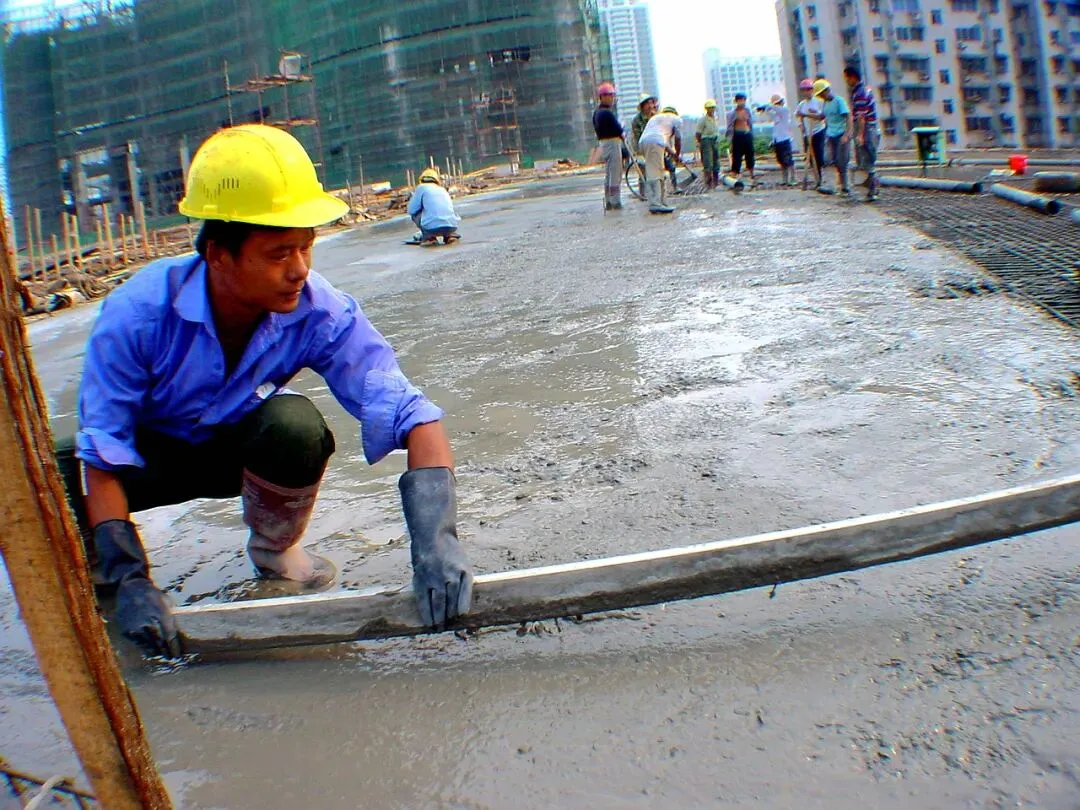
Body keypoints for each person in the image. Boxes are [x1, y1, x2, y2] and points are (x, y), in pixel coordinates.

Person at [55, 124, 475, 658]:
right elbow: (105, 451)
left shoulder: (319, 311)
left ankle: (275, 552)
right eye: (279, 254)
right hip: (141, 465)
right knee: (54, 474)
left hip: (228, 453)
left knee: (295, 429)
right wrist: (131, 578)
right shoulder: (137, 316)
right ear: (218, 254)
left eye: (306, 247)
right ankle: (103, 562)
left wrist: (437, 544)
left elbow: (412, 414)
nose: (299, 270)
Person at [844, 65, 881, 201]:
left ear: (853, 77)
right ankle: (871, 188)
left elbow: (861, 117)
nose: (846, 81)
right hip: (869, 127)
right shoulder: (861, 90)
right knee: (866, 160)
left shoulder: (860, 93)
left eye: (847, 78)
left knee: (867, 159)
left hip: (867, 128)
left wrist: (860, 135)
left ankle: (873, 189)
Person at [638, 105, 682, 214]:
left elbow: (664, 142)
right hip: (654, 144)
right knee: (655, 172)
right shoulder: (677, 120)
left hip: (644, 143)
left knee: (659, 170)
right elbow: (678, 139)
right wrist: (677, 154)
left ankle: (662, 202)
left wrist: (674, 154)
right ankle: (655, 203)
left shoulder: (658, 119)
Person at [814, 79, 853, 194]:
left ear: (827, 91)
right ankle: (830, 185)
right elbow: (822, 116)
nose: (821, 97)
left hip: (841, 134)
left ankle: (845, 186)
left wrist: (847, 134)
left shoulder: (839, 101)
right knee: (827, 160)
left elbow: (848, 117)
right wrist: (807, 114)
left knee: (842, 161)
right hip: (830, 134)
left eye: (822, 94)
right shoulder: (825, 103)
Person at [592, 81, 625, 210]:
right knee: (615, 172)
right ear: (602, 97)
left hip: (604, 143)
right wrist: (622, 132)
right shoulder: (606, 113)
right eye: (609, 95)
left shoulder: (597, 112)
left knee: (609, 173)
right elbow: (618, 130)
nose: (612, 98)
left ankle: (609, 201)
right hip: (612, 142)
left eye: (612, 95)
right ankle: (615, 201)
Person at [406, 167, 461, 244]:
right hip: (452, 226)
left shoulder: (421, 188)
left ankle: (430, 238)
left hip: (432, 229)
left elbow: (411, 210)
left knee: (415, 215)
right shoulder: (442, 189)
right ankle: (449, 236)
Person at [795, 78, 826, 188]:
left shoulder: (819, 102)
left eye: (808, 89)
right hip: (807, 134)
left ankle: (821, 178)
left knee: (818, 157)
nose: (806, 92)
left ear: (812, 90)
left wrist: (807, 115)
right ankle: (816, 179)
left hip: (818, 131)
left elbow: (821, 116)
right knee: (810, 158)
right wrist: (801, 125)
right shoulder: (801, 104)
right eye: (804, 90)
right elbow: (798, 116)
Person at [760, 95, 795, 186]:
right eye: (777, 103)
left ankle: (792, 178)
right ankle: (785, 179)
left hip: (785, 139)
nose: (778, 105)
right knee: (781, 161)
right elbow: (769, 113)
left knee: (788, 160)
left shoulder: (785, 111)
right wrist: (765, 108)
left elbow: (776, 109)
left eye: (779, 103)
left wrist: (769, 106)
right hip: (778, 140)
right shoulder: (776, 116)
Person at [630, 93, 658, 200]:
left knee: (655, 172)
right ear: (642, 106)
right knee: (643, 171)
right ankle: (643, 194)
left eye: (651, 103)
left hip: (654, 148)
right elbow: (638, 136)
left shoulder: (656, 117)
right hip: (641, 149)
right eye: (647, 104)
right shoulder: (637, 120)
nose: (650, 106)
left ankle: (655, 193)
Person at [725, 92, 756, 183]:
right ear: (736, 101)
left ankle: (751, 173)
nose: (742, 102)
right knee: (737, 156)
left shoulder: (747, 111)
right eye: (740, 100)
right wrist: (730, 139)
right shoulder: (732, 113)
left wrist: (751, 133)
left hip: (747, 134)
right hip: (737, 135)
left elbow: (750, 123)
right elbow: (730, 127)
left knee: (750, 154)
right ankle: (735, 174)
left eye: (743, 100)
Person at [695, 99, 721, 189]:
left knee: (716, 160)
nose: (712, 109)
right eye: (710, 108)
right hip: (706, 140)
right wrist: (700, 142)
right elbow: (698, 133)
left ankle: (716, 181)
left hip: (715, 139)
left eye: (713, 108)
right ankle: (708, 181)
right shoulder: (702, 120)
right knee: (708, 161)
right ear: (706, 109)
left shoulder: (715, 118)